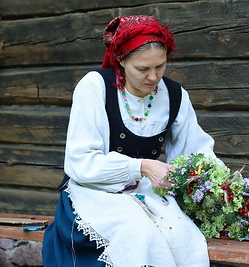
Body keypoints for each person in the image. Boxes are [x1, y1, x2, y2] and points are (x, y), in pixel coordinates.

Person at [42, 15, 219, 267]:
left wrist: (219, 184)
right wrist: (142, 166)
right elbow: (81, 163)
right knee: (137, 232)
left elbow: (196, 151)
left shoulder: (175, 95)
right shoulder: (95, 87)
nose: (153, 77)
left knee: (182, 235)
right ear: (121, 60)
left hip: (144, 192)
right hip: (94, 192)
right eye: (143, 69)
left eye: (160, 66)